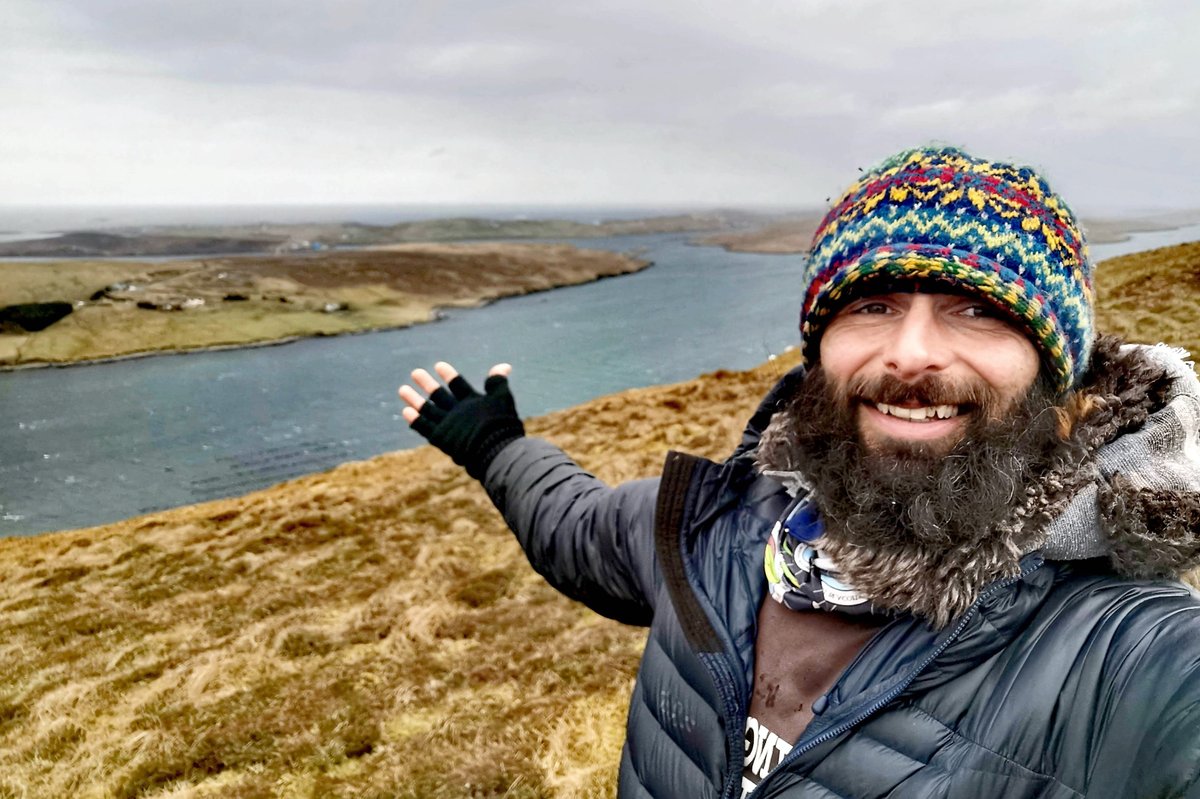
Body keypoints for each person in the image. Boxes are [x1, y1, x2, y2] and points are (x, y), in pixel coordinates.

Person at [398, 146, 1200, 798]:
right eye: (873, 304)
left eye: (980, 309)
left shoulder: (1123, 653)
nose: (912, 352)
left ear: (1053, 369)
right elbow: (576, 527)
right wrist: (494, 446)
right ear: (819, 348)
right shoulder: (721, 529)